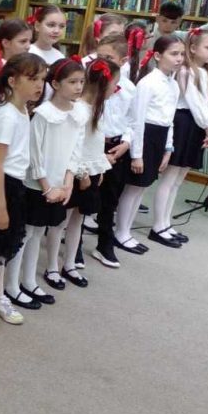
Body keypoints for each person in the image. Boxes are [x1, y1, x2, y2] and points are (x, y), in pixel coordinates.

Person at [0, 53, 48, 324]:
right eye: (32, 79)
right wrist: (1, 207)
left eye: (42, 79)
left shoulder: (23, 111)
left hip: (15, 182)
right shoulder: (7, 116)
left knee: (4, 245)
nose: (39, 85)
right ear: (12, 81)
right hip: (4, 184)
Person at [16, 57, 85, 306]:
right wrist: (47, 188)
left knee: (39, 233)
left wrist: (67, 183)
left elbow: (75, 150)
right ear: (55, 84)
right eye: (72, 82)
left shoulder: (79, 113)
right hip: (39, 184)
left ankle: (28, 281)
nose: (78, 87)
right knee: (27, 233)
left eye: (81, 82)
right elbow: (34, 154)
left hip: (60, 185)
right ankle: (13, 284)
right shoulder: (43, 114)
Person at [151, 29, 208, 244]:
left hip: (198, 127)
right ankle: (157, 226)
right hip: (184, 123)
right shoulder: (186, 71)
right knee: (170, 177)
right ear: (192, 48)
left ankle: (166, 223)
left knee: (179, 180)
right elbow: (196, 104)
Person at [113, 35, 186, 254]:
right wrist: (136, 155)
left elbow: (169, 119)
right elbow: (137, 119)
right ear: (157, 56)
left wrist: (168, 148)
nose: (179, 58)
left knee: (142, 188)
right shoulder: (147, 83)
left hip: (160, 137)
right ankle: (121, 233)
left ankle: (126, 231)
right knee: (133, 187)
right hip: (144, 136)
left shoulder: (174, 85)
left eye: (182, 54)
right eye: (174, 54)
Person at [58, 59, 120, 286]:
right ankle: (53, 266)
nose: (116, 88)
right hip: (75, 174)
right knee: (61, 222)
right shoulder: (79, 110)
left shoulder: (96, 108)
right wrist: (83, 175)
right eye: (115, 84)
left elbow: (95, 143)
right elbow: (75, 146)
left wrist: (99, 167)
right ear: (104, 84)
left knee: (79, 220)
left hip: (90, 171)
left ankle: (70, 264)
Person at [90, 35, 136, 269]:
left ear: (123, 60)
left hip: (117, 147)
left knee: (110, 199)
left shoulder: (129, 88)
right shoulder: (91, 84)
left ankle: (104, 244)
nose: (102, 62)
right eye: (99, 56)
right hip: (94, 145)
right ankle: (73, 249)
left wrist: (127, 142)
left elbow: (133, 120)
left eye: (108, 57)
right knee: (88, 196)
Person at [0, 19, 32, 107]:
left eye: (30, 41)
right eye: (23, 41)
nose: (28, 46)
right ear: (5, 43)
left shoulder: (28, 66)